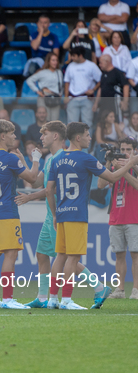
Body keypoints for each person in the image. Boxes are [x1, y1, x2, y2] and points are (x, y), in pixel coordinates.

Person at [46, 122, 138, 309]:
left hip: (62, 213)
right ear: (78, 138)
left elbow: (49, 190)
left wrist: (55, 214)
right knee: (73, 258)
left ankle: (52, 299)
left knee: (59, 256)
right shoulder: (85, 158)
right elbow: (110, 178)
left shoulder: (57, 159)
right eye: (87, 135)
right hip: (77, 214)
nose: (90, 138)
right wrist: (130, 163)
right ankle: (67, 300)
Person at [16, 121, 105, 308]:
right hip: (52, 215)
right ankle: (42, 298)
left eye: (45, 134)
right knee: (42, 255)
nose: (41, 137)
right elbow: (35, 181)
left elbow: (52, 190)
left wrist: (30, 198)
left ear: (56, 136)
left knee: (64, 256)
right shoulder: (50, 159)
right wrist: (29, 161)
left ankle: (97, 286)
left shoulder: (62, 158)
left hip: (60, 215)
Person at [0, 119, 40, 309]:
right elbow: (32, 178)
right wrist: (34, 159)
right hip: (8, 212)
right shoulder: (10, 158)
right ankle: (8, 299)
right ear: (2, 136)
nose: (15, 136)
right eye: (12, 133)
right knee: (10, 254)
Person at [97, 137, 138, 299]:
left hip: (134, 217)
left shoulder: (134, 166)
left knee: (135, 254)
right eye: (123, 150)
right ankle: (120, 290)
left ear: (134, 151)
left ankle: (136, 289)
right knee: (119, 255)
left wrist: (126, 166)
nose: (125, 153)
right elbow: (100, 184)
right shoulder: (114, 167)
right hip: (116, 216)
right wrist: (108, 163)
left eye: (129, 150)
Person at [64, 48, 102, 129]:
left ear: (80, 56)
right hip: (72, 98)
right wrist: (66, 96)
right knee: (71, 125)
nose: (72, 58)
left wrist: (93, 89)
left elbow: (101, 80)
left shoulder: (91, 66)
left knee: (87, 124)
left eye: (74, 56)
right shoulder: (70, 66)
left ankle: (86, 142)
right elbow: (67, 82)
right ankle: (72, 142)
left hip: (87, 98)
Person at [25, 52, 64, 121]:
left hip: (55, 99)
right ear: (48, 61)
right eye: (53, 60)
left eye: (56, 60)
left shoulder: (59, 72)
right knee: (44, 121)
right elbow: (29, 80)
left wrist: (60, 94)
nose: (55, 62)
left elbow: (61, 85)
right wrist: (37, 91)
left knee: (54, 122)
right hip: (44, 99)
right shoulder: (42, 72)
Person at [93, 54, 130, 122]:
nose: (99, 65)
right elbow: (101, 88)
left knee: (116, 122)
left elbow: (126, 86)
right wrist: (96, 103)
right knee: (102, 123)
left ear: (107, 62)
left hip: (115, 103)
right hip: (104, 103)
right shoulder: (103, 74)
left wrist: (125, 101)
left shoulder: (117, 73)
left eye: (101, 63)